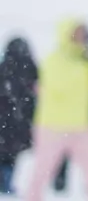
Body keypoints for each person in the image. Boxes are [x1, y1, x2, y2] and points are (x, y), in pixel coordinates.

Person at [22, 20, 88, 201]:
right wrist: (83, 66)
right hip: (52, 127)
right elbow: (59, 86)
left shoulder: (87, 61)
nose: (81, 37)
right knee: (41, 174)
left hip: (81, 127)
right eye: (77, 32)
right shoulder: (53, 60)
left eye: (83, 33)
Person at [0, 39, 35, 196]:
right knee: (12, 155)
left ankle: (4, 182)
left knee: (4, 154)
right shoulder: (31, 69)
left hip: (4, 120)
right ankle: (6, 183)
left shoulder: (4, 67)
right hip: (20, 121)